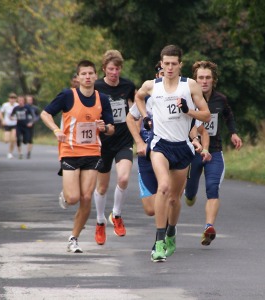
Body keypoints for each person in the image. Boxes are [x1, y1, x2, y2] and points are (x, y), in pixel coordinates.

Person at [135, 44, 210, 262]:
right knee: (164, 188)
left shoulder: (190, 86)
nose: (169, 67)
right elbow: (138, 97)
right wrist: (145, 116)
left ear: (180, 65)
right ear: (161, 64)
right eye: (166, 63)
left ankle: (171, 232)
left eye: (173, 64)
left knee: (174, 200)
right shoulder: (151, 85)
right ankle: (158, 242)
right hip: (160, 145)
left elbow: (205, 116)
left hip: (182, 147)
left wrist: (188, 110)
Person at [40, 60, 114, 253]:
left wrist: (104, 127)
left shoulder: (103, 98)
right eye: (84, 74)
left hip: (92, 152)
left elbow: (111, 128)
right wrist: (56, 129)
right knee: (73, 198)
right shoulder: (67, 95)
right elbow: (45, 114)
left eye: (91, 73)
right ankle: (65, 194)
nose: (87, 77)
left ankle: (74, 238)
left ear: (96, 76)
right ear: (78, 77)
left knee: (87, 196)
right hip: (70, 152)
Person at [184, 60, 243, 246]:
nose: (204, 81)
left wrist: (233, 132)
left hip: (214, 151)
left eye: (208, 77)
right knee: (190, 192)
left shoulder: (220, 99)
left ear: (213, 80)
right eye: (200, 77)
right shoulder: (187, 98)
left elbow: (229, 116)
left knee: (212, 188)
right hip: (192, 151)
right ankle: (190, 194)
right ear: (195, 79)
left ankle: (208, 227)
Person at [93, 50, 136, 246]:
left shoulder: (128, 86)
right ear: (104, 69)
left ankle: (116, 215)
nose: (114, 72)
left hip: (123, 139)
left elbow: (137, 108)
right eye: (110, 69)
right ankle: (100, 221)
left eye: (117, 69)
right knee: (102, 187)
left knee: (124, 177)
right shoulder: (96, 87)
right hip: (103, 142)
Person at [0, 93, 18, 159]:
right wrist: (2, 120)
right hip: (7, 123)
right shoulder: (5, 105)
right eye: (11, 98)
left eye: (14, 98)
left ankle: (10, 153)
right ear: (9, 99)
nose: (12, 100)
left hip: (15, 124)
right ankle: (5, 137)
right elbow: (0, 112)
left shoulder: (17, 105)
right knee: (6, 140)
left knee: (13, 139)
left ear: (16, 99)